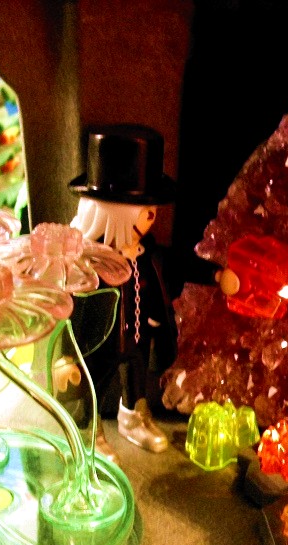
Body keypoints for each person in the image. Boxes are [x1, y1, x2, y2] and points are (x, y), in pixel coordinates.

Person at [69, 124, 177, 453]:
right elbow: (73, 309)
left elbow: (159, 279)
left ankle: (133, 417)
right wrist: (66, 354)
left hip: (138, 335)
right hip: (99, 343)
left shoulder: (145, 253)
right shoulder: (86, 263)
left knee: (136, 378)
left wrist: (156, 318)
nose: (151, 219)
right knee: (95, 384)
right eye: (145, 213)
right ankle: (88, 430)